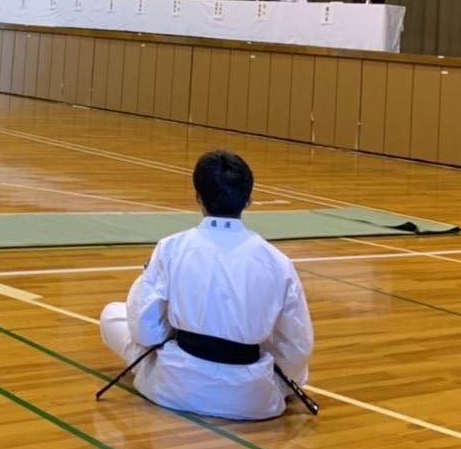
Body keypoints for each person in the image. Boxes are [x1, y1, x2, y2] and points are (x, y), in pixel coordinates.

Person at [99, 150, 314, 421]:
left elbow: (145, 330)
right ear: (248, 200)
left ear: (198, 197)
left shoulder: (171, 248)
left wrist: (175, 331)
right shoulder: (278, 262)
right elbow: (298, 346)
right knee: (300, 369)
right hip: (250, 400)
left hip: (176, 387)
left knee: (113, 315)